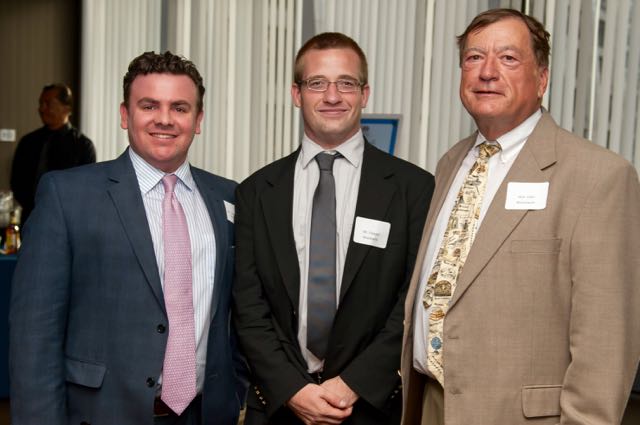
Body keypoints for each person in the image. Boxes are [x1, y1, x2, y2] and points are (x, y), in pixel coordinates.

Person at [401, 8, 640, 425]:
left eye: (508, 58)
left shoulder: (599, 176)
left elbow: (606, 342)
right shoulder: (451, 163)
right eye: (474, 57)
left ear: (542, 79)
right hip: (430, 404)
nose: (487, 72)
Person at [9, 51, 247, 425]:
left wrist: (237, 389)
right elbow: (33, 335)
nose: (164, 119)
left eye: (180, 107)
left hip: (206, 414)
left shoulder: (229, 197)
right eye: (149, 105)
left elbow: (244, 311)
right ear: (125, 115)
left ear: (198, 120)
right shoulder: (67, 195)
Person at [233, 32, 434, 425]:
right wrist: (292, 388)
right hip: (280, 407)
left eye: (346, 83)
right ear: (296, 94)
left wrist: (353, 383)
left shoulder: (413, 189)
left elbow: (412, 303)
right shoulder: (256, 191)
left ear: (364, 94)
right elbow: (248, 306)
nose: (332, 96)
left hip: (371, 408)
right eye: (317, 83)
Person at [10, 83, 96, 224]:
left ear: (66, 108)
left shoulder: (83, 146)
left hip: (68, 222)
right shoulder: (28, 142)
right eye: (40, 103)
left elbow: (87, 188)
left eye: (48, 103)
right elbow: (17, 182)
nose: (41, 108)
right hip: (31, 218)